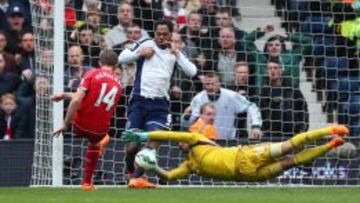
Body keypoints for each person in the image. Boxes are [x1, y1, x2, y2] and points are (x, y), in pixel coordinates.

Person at [118, 19, 197, 188]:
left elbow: (192, 71)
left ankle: (137, 178)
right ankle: (130, 172)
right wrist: (139, 54)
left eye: (165, 34)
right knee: (132, 147)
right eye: (158, 34)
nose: (161, 37)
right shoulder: (145, 43)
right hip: (139, 101)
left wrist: (177, 53)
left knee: (152, 142)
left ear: (171, 34)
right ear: (154, 33)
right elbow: (122, 57)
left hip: (160, 106)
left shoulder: (174, 52)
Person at [122, 124, 349, 183]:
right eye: (180, 142)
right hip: (249, 175)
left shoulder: (197, 140)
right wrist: (154, 169)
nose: (180, 142)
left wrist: (142, 137)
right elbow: (170, 176)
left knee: (289, 147)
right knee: (291, 162)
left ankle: (330, 131)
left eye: (182, 140)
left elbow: (168, 136)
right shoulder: (190, 165)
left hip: (246, 156)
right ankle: (330, 146)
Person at [51, 49, 122, 191]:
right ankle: (86, 183)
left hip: (79, 125)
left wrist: (65, 124)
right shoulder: (119, 85)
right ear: (115, 66)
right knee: (98, 141)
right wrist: (65, 95)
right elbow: (95, 99)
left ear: (99, 62)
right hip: (99, 130)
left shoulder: (92, 73)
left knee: (82, 107)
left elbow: (78, 99)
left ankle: (96, 150)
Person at [184, 72, 262, 139]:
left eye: (213, 84)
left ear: (219, 84)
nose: (210, 87)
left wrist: (256, 126)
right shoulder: (198, 99)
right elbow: (189, 123)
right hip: (206, 141)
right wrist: (186, 117)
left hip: (229, 141)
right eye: (207, 84)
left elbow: (252, 106)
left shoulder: (231, 96)